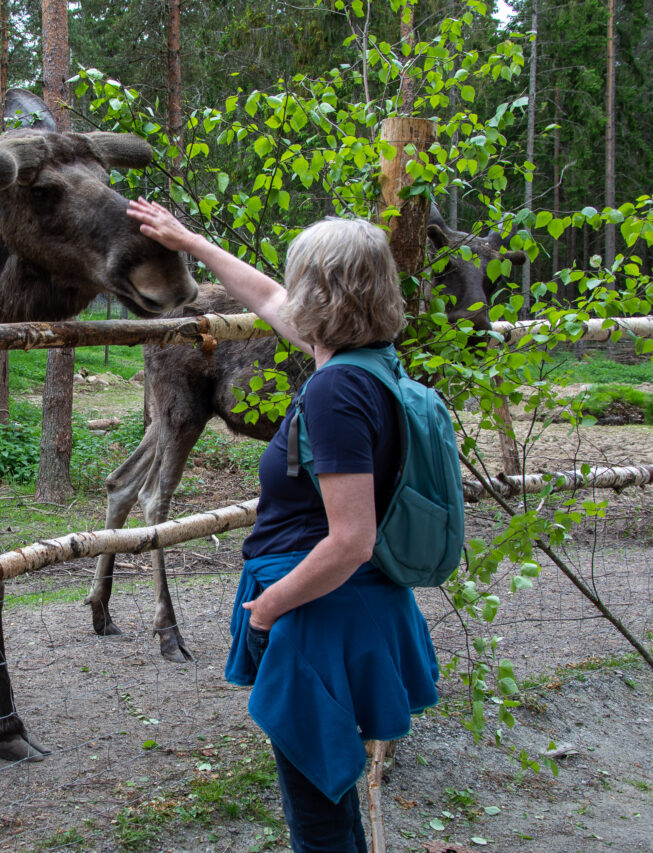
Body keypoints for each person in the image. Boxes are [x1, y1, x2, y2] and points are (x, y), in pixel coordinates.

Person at [127, 198, 440, 853]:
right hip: (350, 609)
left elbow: (351, 539)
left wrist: (266, 609)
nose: (288, 291)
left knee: (317, 817)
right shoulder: (372, 361)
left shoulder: (334, 391)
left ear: (322, 294)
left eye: (302, 280)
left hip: (316, 617)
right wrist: (190, 242)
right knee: (332, 797)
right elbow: (266, 296)